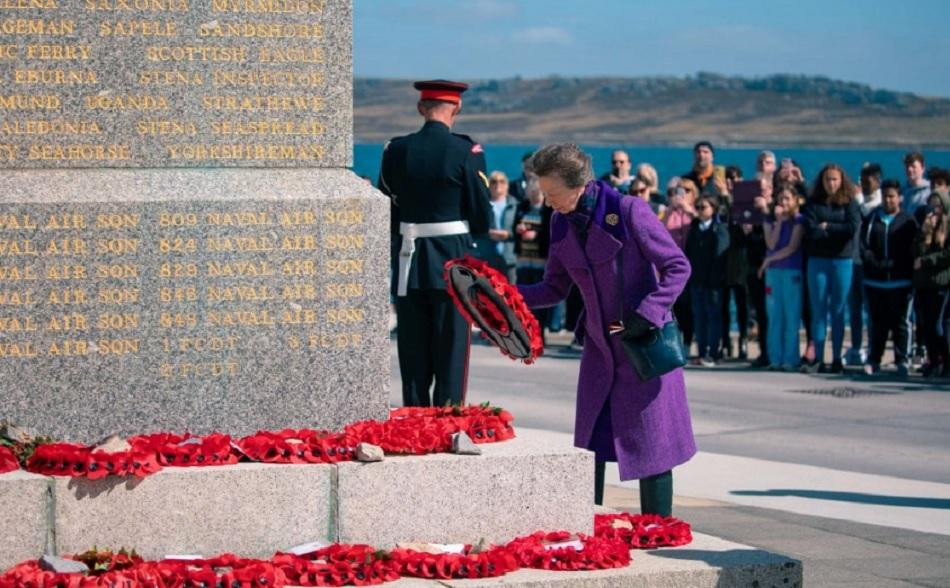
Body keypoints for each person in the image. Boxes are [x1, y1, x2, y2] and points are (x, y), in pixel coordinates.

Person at [518, 143, 695, 516]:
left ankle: (658, 531)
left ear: (579, 183)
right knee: (591, 449)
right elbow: (553, 288)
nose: (548, 203)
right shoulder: (560, 221)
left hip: (643, 348)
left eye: (553, 194)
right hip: (600, 354)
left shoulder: (630, 211)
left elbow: (678, 267)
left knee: (653, 450)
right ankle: (589, 533)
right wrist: (506, 295)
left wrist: (648, 313)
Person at [378, 79, 493, 407]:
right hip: (452, 263)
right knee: (452, 350)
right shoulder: (465, 151)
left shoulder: (395, 150)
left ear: (420, 108)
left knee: (413, 351)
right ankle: (448, 420)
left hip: (409, 261)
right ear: (457, 108)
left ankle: (415, 422)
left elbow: (389, 205)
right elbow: (481, 214)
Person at [801, 164, 861, 373]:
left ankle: (836, 358)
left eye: (835, 179)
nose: (831, 183)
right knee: (819, 311)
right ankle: (818, 357)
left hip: (841, 261)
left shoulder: (849, 203)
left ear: (841, 180)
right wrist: (831, 230)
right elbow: (810, 230)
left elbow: (851, 228)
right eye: (828, 179)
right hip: (817, 261)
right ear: (822, 181)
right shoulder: (812, 203)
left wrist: (827, 227)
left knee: (838, 310)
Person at [860, 179, 918, 376]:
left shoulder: (908, 221)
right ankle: (874, 359)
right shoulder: (872, 220)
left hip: (900, 282)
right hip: (875, 281)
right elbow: (864, 247)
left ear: (899, 198)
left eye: (892, 196)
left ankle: (903, 359)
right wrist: (875, 264)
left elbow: (912, 250)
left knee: (901, 323)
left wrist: (894, 265)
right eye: (885, 196)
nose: (888, 200)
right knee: (877, 324)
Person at [759, 186, 804, 371]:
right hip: (773, 273)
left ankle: (791, 358)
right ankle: (775, 358)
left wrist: (769, 259)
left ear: (795, 200)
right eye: (781, 199)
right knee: (774, 315)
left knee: (791, 315)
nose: (784, 203)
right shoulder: (770, 220)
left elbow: (792, 247)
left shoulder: (799, 221)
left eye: (787, 198)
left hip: (791, 271)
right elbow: (771, 243)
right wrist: (778, 221)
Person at [844, 163, 883, 366]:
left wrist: (858, 199)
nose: (864, 186)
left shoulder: (878, 203)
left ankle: (872, 349)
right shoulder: (858, 201)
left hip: (869, 265)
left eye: (868, 182)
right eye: (861, 181)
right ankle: (856, 347)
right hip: (854, 261)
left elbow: (867, 213)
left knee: (870, 310)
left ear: (877, 182)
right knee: (854, 308)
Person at [685, 195, 730, 366]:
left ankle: (713, 352)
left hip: (713, 283)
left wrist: (715, 279)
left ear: (713, 209)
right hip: (697, 280)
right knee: (699, 317)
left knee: (714, 317)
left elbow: (720, 255)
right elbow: (689, 253)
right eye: (698, 207)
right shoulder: (695, 228)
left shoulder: (719, 229)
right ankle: (702, 352)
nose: (700, 211)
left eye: (704, 207)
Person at [913, 190, 950, 377]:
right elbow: (916, 250)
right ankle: (933, 360)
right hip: (924, 283)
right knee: (926, 325)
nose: (933, 210)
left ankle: (946, 359)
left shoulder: (948, 226)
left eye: (937, 206)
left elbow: (947, 255)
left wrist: (928, 261)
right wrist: (925, 232)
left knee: (939, 325)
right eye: (931, 205)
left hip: (941, 283)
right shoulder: (926, 225)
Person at [514, 176, 553, 337]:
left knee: (540, 298)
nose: (534, 194)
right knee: (523, 297)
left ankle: (540, 331)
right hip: (523, 259)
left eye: (536, 191)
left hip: (541, 260)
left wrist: (535, 234)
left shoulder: (548, 209)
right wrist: (518, 229)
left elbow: (550, 232)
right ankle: (526, 332)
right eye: (531, 191)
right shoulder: (522, 206)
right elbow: (514, 227)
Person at [665, 178, 697, 351]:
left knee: (689, 307)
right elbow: (661, 229)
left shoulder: (695, 211)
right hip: (672, 265)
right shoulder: (672, 212)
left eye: (686, 190)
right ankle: (676, 341)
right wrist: (671, 208)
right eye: (678, 190)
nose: (681, 194)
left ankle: (688, 341)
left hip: (692, 265)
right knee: (675, 306)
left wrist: (688, 209)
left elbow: (699, 224)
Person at [473, 171, 518, 283]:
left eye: (502, 181)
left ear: (507, 185)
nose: (498, 184)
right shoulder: (482, 206)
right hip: (487, 256)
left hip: (509, 257)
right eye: (493, 181)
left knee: (512, 293)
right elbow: (475, 228)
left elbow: (520, 228)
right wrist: (488, 233)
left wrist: (509, 234)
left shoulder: (516, 205)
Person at [903, 151, 931, 217]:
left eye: (913, 166)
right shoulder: (903, 191)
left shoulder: (929, 191)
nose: (909, 169)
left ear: (922, 168)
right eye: (907, 166)